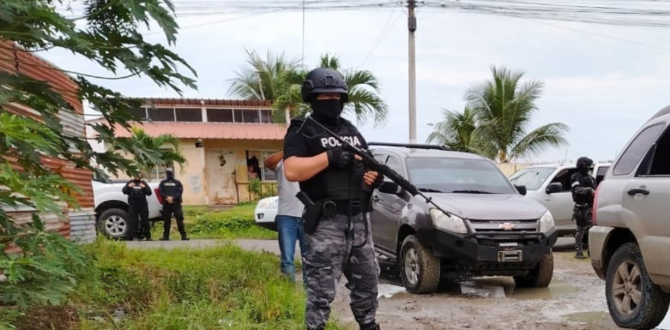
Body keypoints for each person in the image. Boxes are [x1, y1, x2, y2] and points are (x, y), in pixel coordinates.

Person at [283, 67, 384, 330]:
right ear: (313, 99)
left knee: (368, 286)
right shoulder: (302, 130)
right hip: (326, 221)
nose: (332, 102)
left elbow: (367, 164)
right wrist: (329, 157)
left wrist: (371, 178)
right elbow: (292, 170)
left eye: (337, 97)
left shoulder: (351, 130)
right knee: (321, 294)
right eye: (325, 97)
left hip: (359, 221)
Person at [264, 150, 308, 283]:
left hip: (308, 215)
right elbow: (267, 162)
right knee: (287, 259)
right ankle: (289, 293)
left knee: (309, 258)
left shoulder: (310, 159)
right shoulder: (282, 162)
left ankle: (310, 293)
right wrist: (288, 148)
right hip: (286, 216)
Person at [571, 156, 596, 259]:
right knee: (580, 231)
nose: (588, 168)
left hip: (590, 208)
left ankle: (592, 251)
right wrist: (589, 190)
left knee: (592, 230)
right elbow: (576, 189)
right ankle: (579, 252)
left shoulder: (591, 178)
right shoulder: (575, 177)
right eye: (587, 166)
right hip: (580, 208)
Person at [158, 168, 189, 241]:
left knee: (179, 220)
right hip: (166, 204)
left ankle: (183, 236)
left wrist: (172, 198)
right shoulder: (163, 182)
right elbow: (161, 192)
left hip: (176, 204)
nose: (169, 174)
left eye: (170, 173)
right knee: (166, 220)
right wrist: (167, 198)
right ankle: (165, 236)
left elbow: (180, 192)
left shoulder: (177, 182)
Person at [121, 173, 152, 241]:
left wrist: (144, 187)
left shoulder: (143, 183)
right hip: (133, 204)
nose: (137, 176)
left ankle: (147, 236)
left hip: (142, 204)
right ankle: (134, 236)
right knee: (133, 220)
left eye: (138, 175)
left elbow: (149, 193)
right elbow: (124, 191)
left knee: (145, 220)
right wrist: (129, 186)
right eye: (135, 175)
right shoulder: (130, 182)